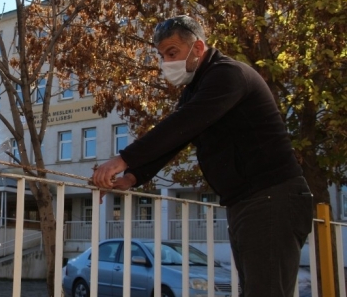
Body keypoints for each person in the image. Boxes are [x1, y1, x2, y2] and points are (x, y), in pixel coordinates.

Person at [91, 15, 313, 297]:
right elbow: (177, 139)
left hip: (272, 197)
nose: (166, 63)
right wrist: (133, 176)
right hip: (248, 201)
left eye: (172, 53)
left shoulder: (227, 75)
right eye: (162, 56)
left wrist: (122, 159)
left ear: (197, 48)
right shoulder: (196, 88)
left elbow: (184, 124)